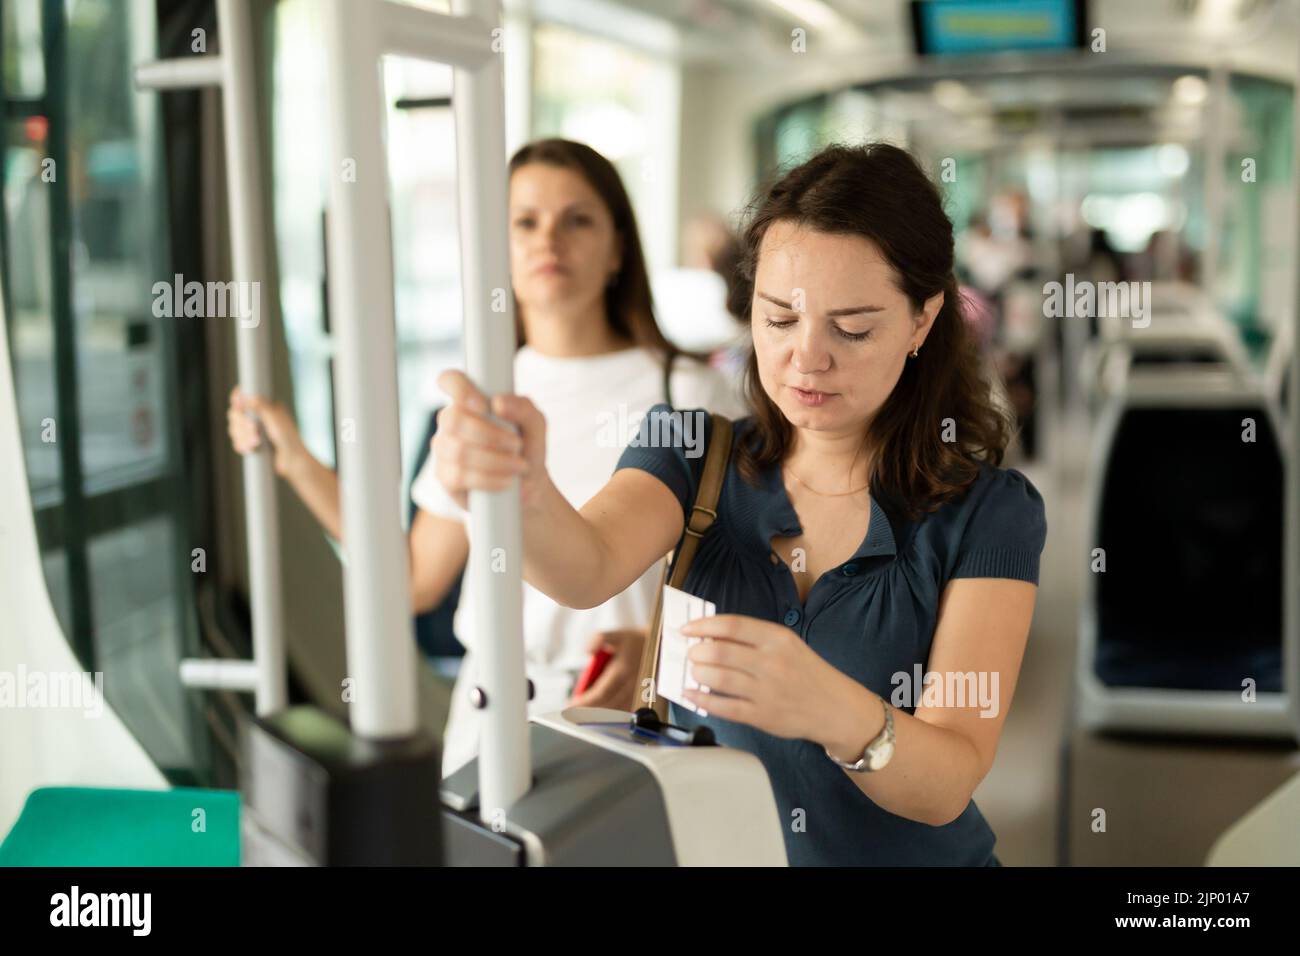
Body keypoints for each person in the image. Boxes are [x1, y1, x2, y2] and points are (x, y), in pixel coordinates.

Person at [431, 142, 1047, 866]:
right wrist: (520, 490)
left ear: (922, 319)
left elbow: (948, 781)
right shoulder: (693, 449)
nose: (806, 357)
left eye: (852, 328)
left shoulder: (988, 513)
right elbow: (584, 567)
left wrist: (831, 709)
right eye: (780, 318)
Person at [228, 138, 743, 775]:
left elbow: (752, 579)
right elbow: (415, 579)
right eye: (525, 222)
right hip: (491, 716)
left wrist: (662, 651)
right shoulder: (485, 397)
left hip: (635, 716)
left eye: (577, 220)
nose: (547, 240)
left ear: (617, 248)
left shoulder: (688, 392)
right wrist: (297, 460)